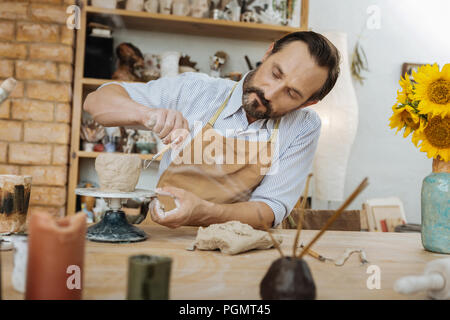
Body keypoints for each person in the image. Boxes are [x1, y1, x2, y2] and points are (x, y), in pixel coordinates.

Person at [84, 31, 340, 230]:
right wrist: (147, 114)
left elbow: (270, 209)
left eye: (292, 93)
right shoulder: (195, 89)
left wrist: (205, 212)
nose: (270, 93)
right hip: (164, 238)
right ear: (269, 52)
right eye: (275, 73)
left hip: (238, 248)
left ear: (308, 102)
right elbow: (96, 102)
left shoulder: (303, 127)